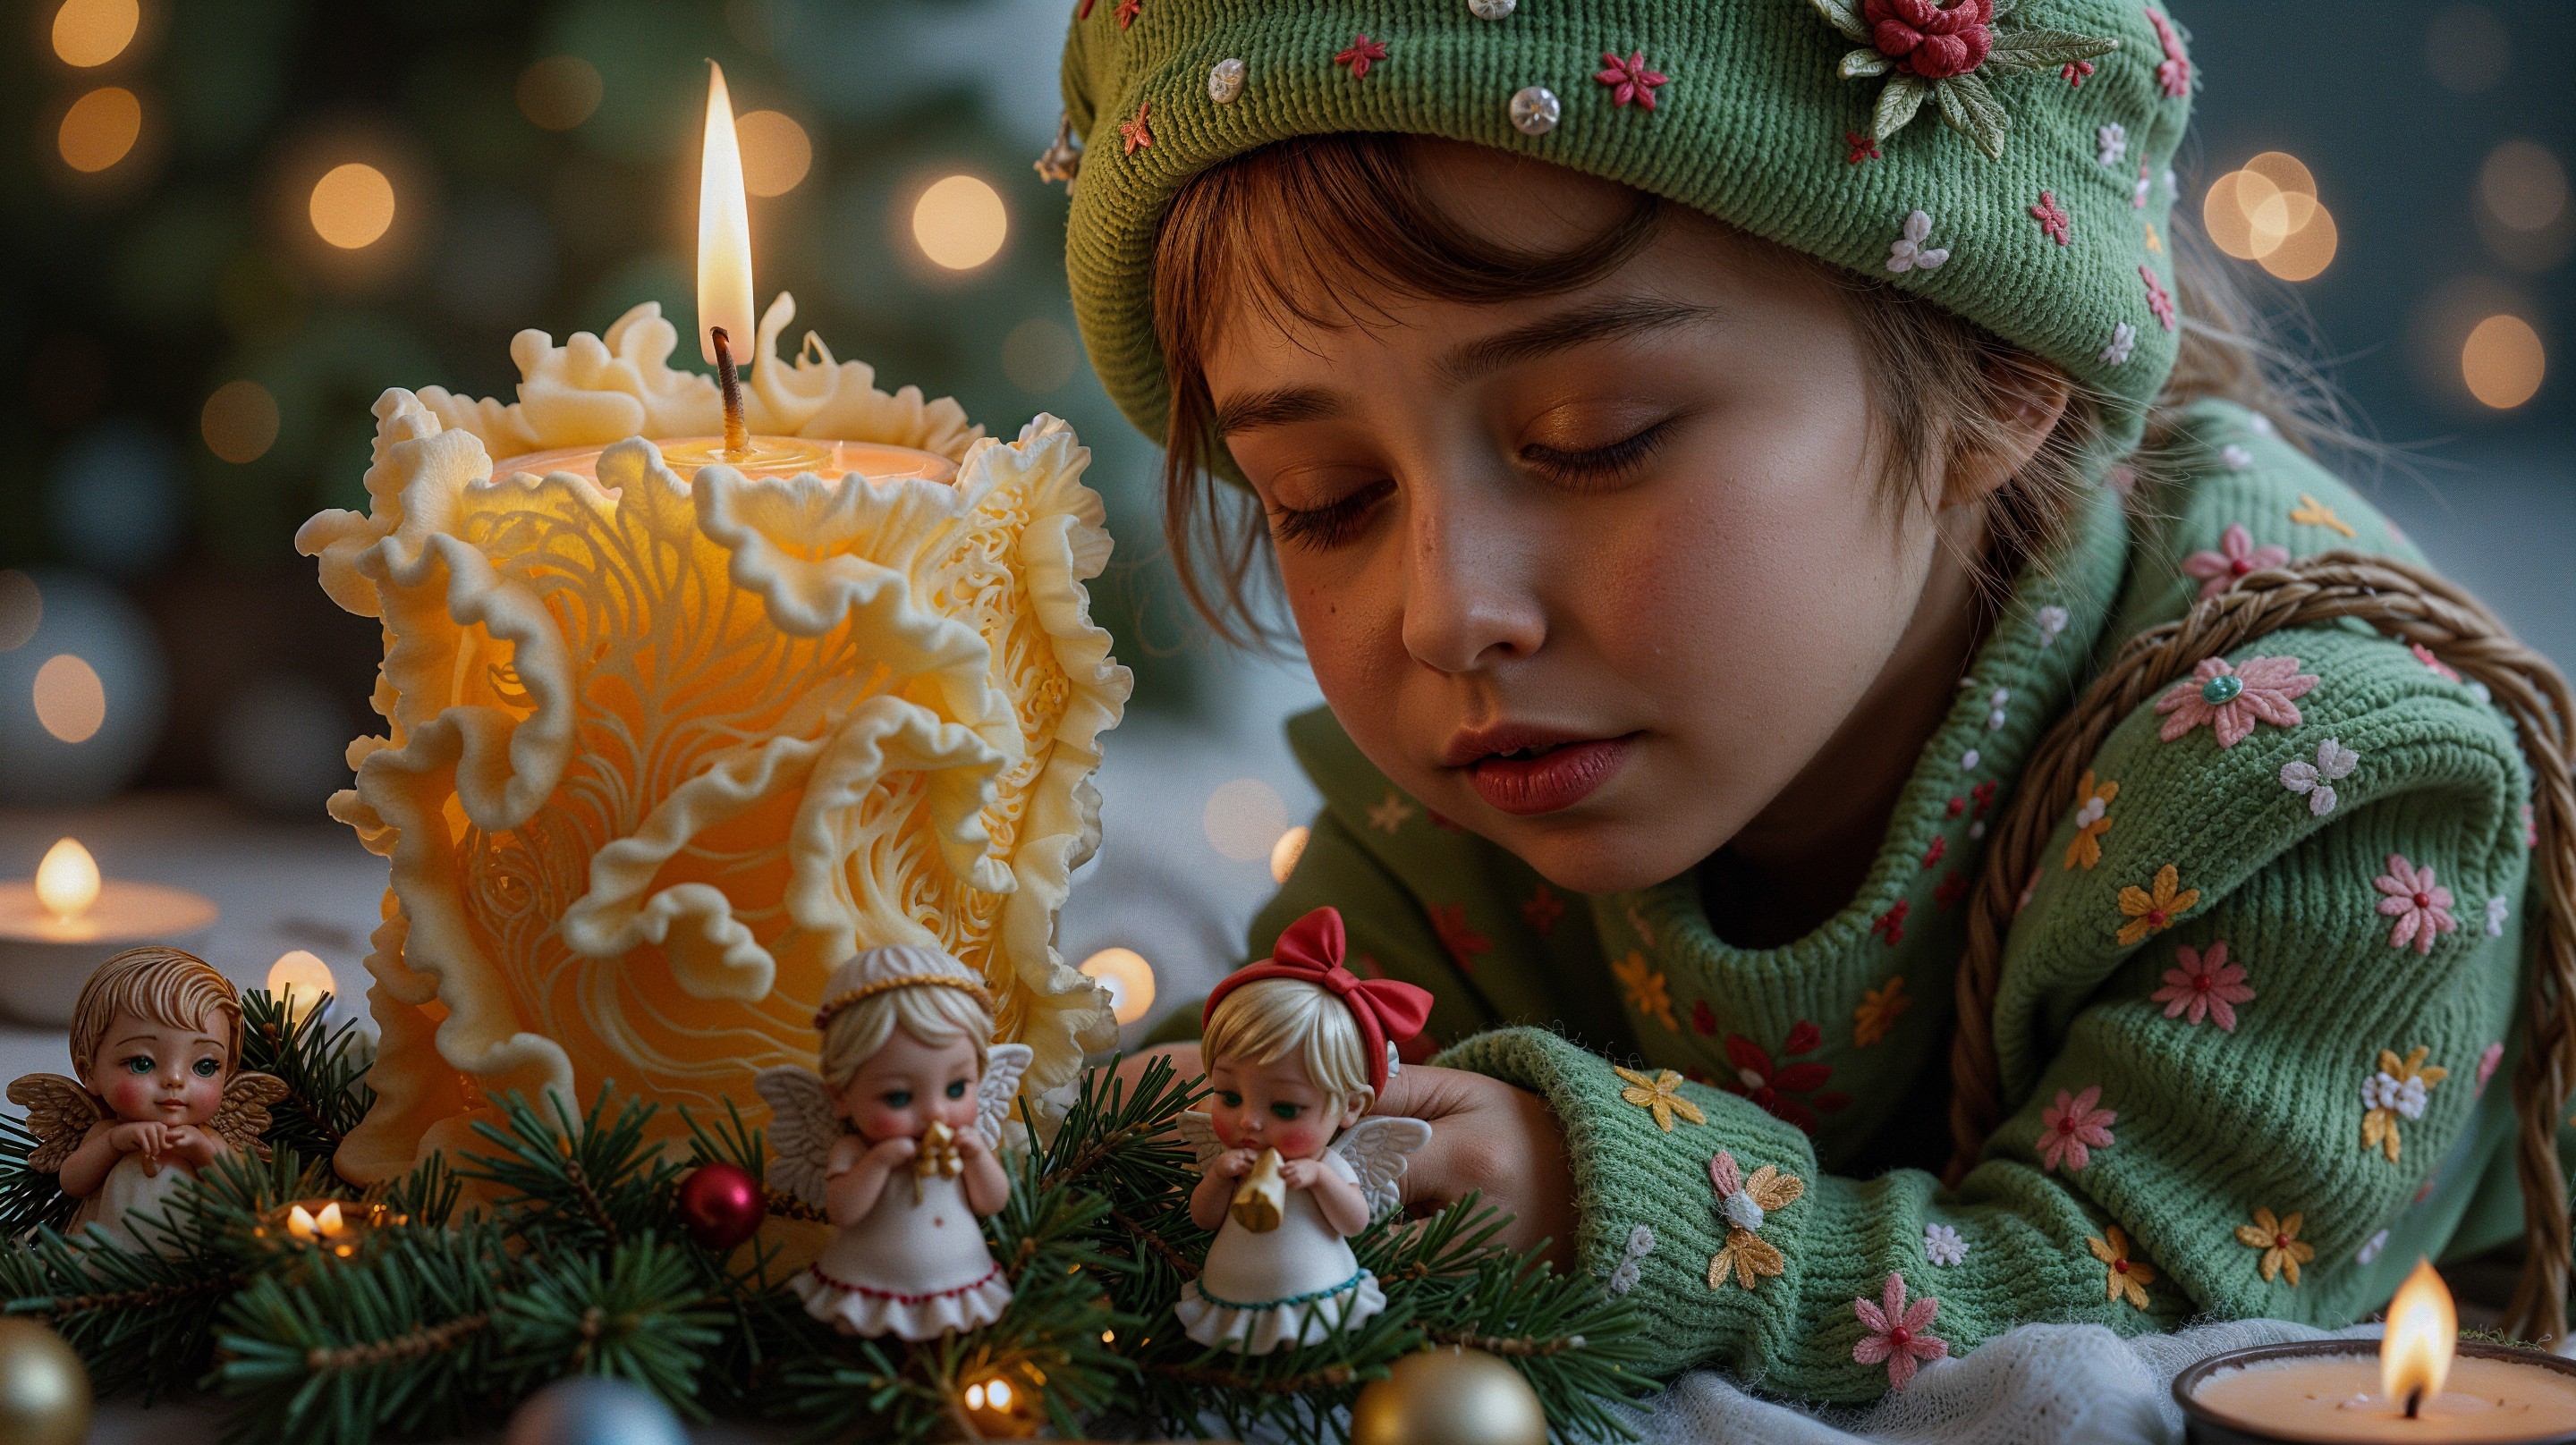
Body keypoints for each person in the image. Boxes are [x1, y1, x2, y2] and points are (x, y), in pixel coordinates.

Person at [1053, 0, 2571, 1401]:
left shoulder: (2335, 778)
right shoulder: (1476, 788)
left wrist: (1599, 1204)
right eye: (1324, 498)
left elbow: (2146, 1340)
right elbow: (1297, 1125)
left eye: (1594, 437)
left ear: (2001, 369)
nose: (1447, 614)